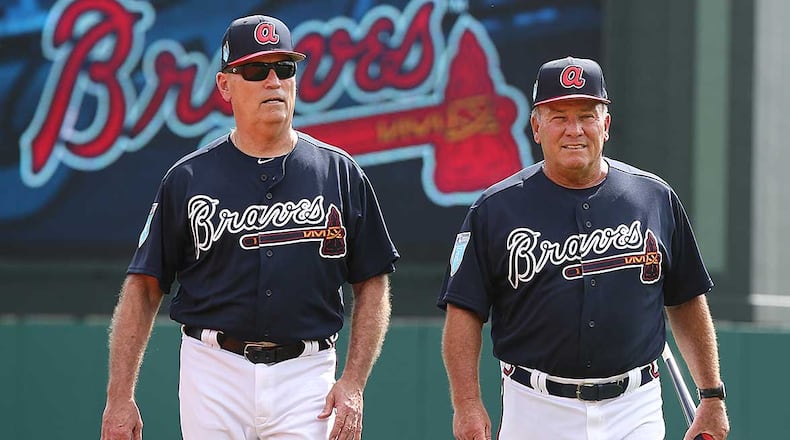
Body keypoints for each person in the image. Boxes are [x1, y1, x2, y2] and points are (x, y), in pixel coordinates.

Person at [100, 14, 399, 440]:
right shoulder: (188, 179)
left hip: (307, 372)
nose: (273, 81)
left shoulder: (338, 173)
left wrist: (353, 383)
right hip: (213, 368)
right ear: (226, 85)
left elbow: (373, 282)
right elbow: (144, 286)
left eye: (285, 68)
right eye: (256, 70)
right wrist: (119, 396)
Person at [437, 56, 730, 440]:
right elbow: (464, 312)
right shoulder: (496, 209)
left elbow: (687, 299)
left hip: (634, 406)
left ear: (605, 125)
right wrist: (467, 403)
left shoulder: (654, 198)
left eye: (586, 116)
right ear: (536, 127)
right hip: (537, 407)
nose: (574, 130)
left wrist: (711, 396)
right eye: (559, 117)